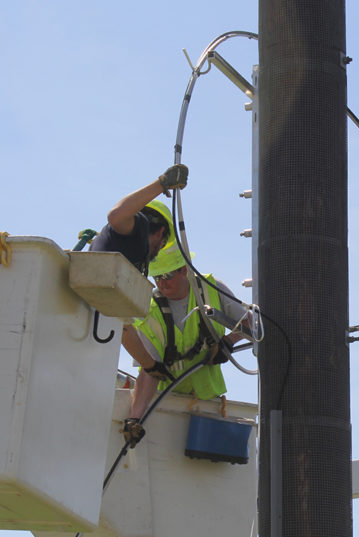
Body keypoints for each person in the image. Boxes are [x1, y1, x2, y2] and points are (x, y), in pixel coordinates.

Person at [122, 240, 247, 445]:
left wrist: (228, 342)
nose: (161, 283)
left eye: (166, 275)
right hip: (166, 402)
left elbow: (250, 323)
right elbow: (149, 369)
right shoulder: (147, 311)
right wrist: (135, 418)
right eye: (156, 277)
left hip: (209, 404)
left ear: (183, 270)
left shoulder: (210, 288)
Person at [91, 164, 188, 368]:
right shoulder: (138, 232)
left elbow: (125, 327)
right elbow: (116, 216)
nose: (157, 254)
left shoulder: (128, 258)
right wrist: (162, 184)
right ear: (161, 233)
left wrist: (151, 366)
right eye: (162, 247)